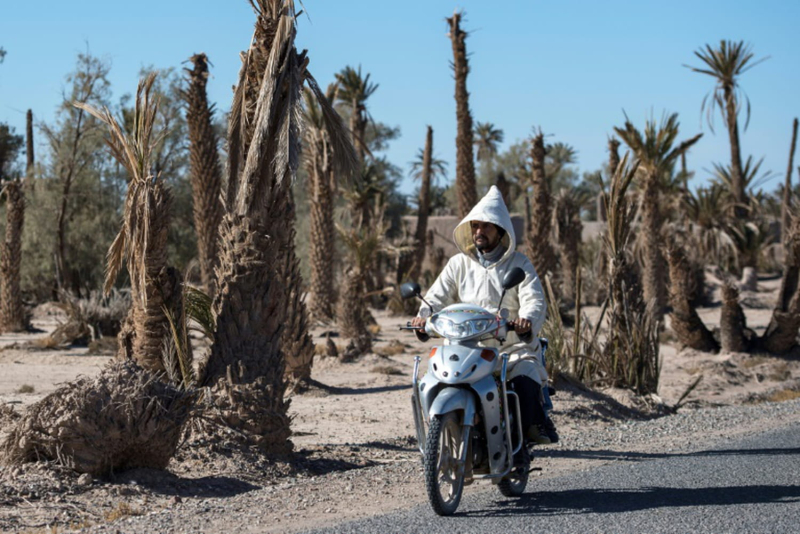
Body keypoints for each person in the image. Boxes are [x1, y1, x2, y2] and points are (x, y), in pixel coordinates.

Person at [410, 186, 558, 444]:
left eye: (486, 227)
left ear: (500, 231)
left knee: (524, 377)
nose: (479, 232)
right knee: (431, 379)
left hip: (509, 348)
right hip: (466, 348)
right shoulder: (459, 263)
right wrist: (423, 317)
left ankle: (529, 433)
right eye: (475, 226)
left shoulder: (519, 264)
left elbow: (534, 300)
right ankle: (441, 433)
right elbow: (435, 297)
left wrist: (526, 322)